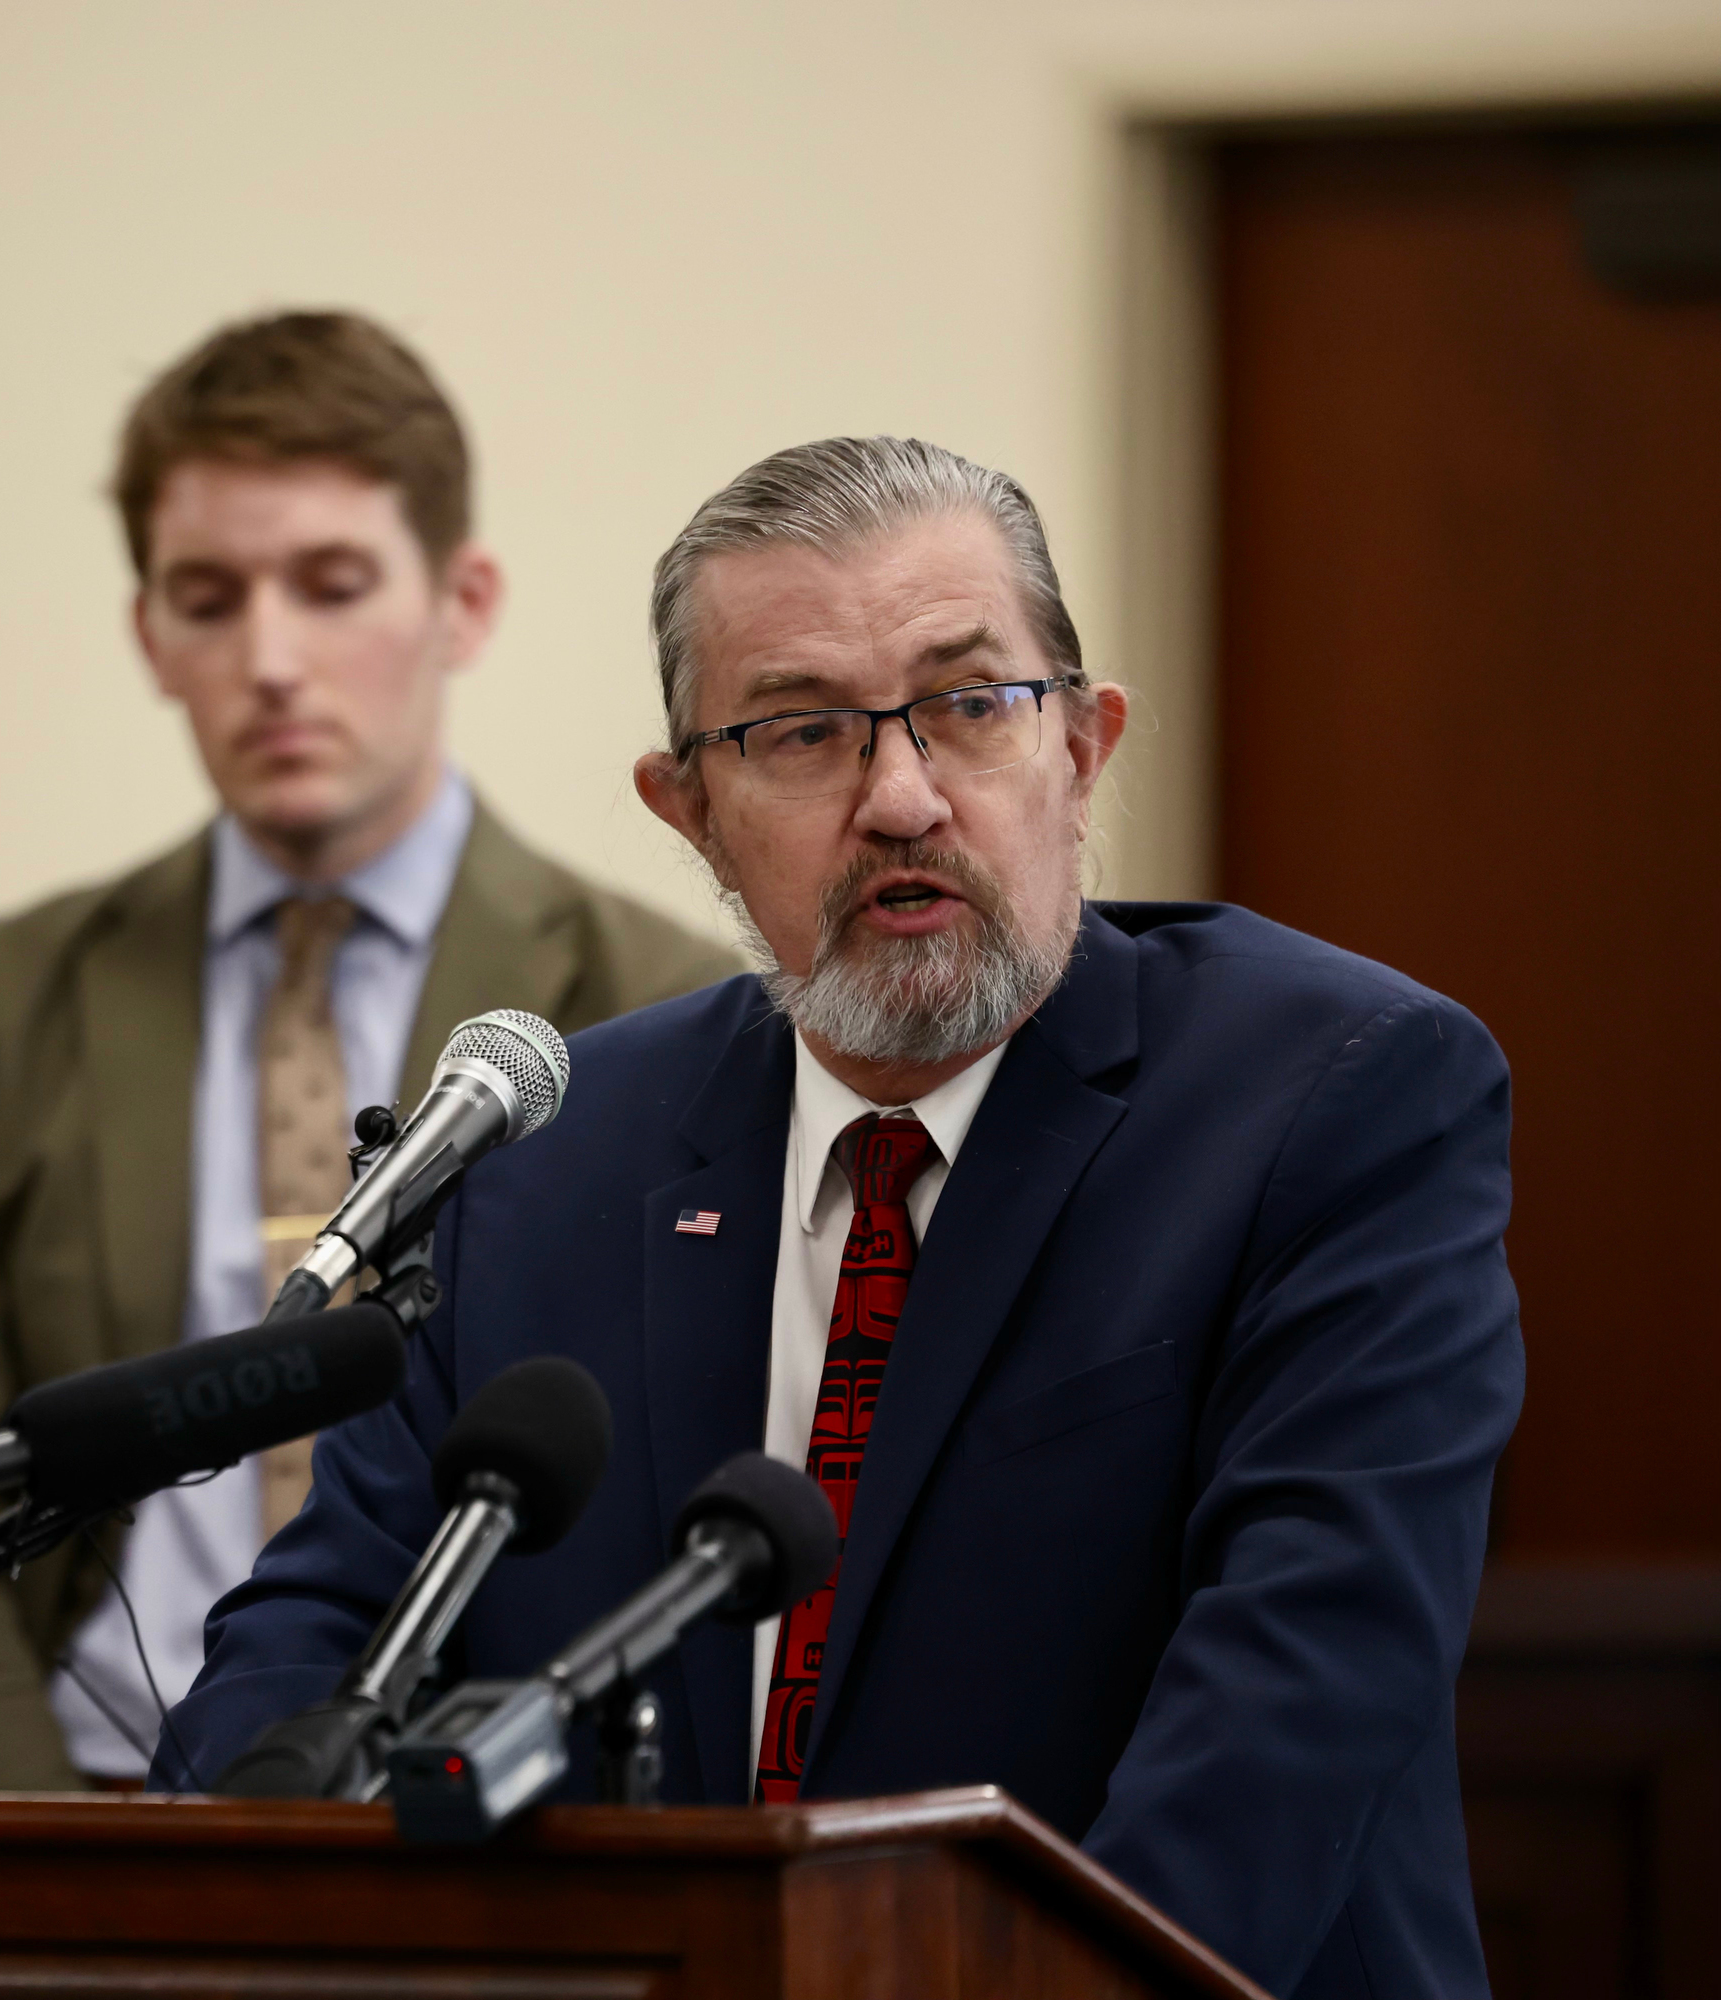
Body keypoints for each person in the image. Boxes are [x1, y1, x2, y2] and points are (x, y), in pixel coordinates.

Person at [161, 437, 1520, 2000]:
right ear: (690, 812)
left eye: (969, 705)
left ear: (1083, 747)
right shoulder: (547, 1161)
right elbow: (326, 1624)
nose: (901, 797)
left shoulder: (1332, 1099)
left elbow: (1297, 1704)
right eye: (801, 733)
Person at [0, 311, 742, 1791]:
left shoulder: (658, 997)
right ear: (149, 636)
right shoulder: (5, 1005)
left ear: (465, 601)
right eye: (208, 595)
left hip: (478, 1817)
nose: (269, 659)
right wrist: (32, 1879)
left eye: (331, 585)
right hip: (80, 1803)